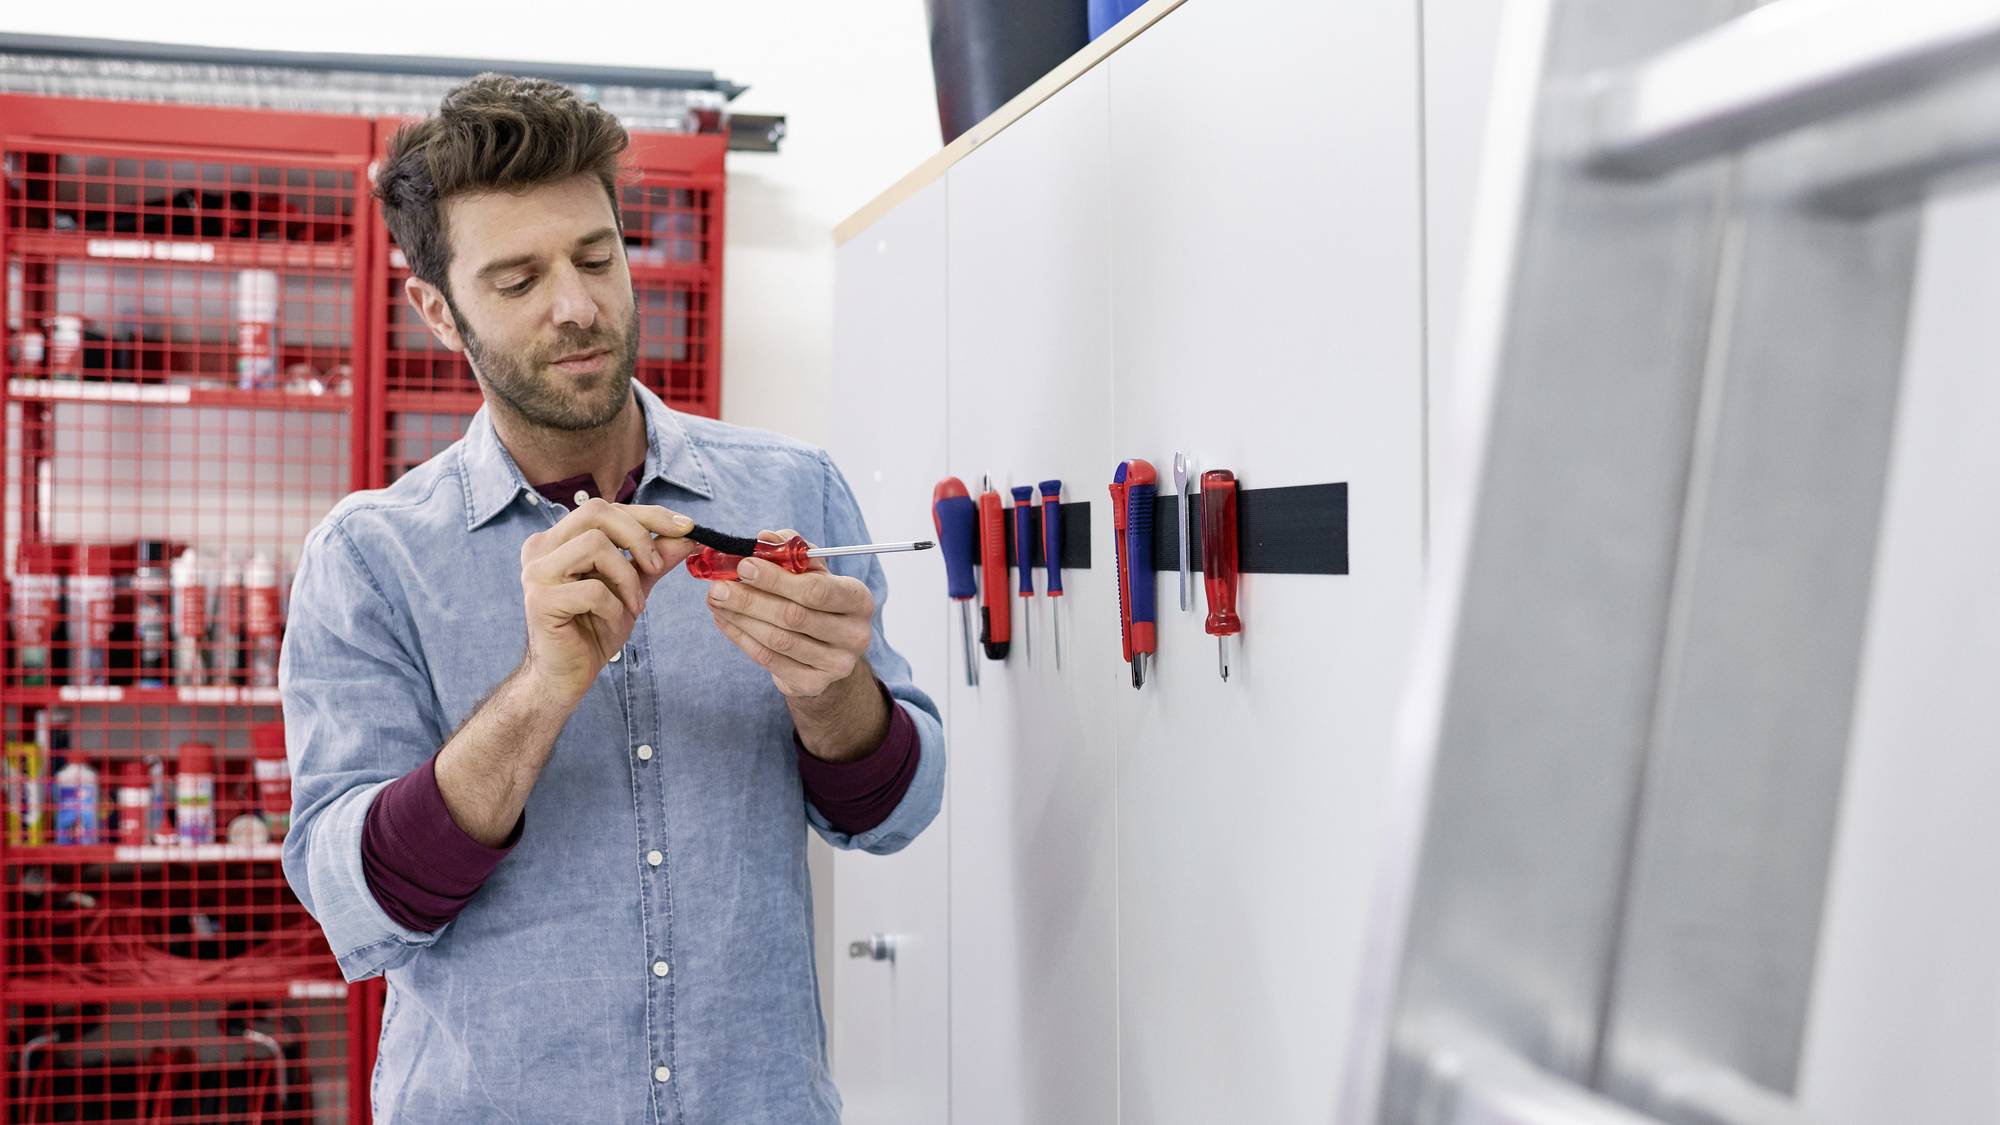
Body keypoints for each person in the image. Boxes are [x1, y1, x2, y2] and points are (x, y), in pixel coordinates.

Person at [279, 73, 944, 1123]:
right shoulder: (367, 560)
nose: (577, 305)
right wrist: (544, 689)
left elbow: (899, 812)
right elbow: (356, 907)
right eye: (516, 279)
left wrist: (832, 696)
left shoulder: (790, 491)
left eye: (596, 257)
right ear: (437, 311)